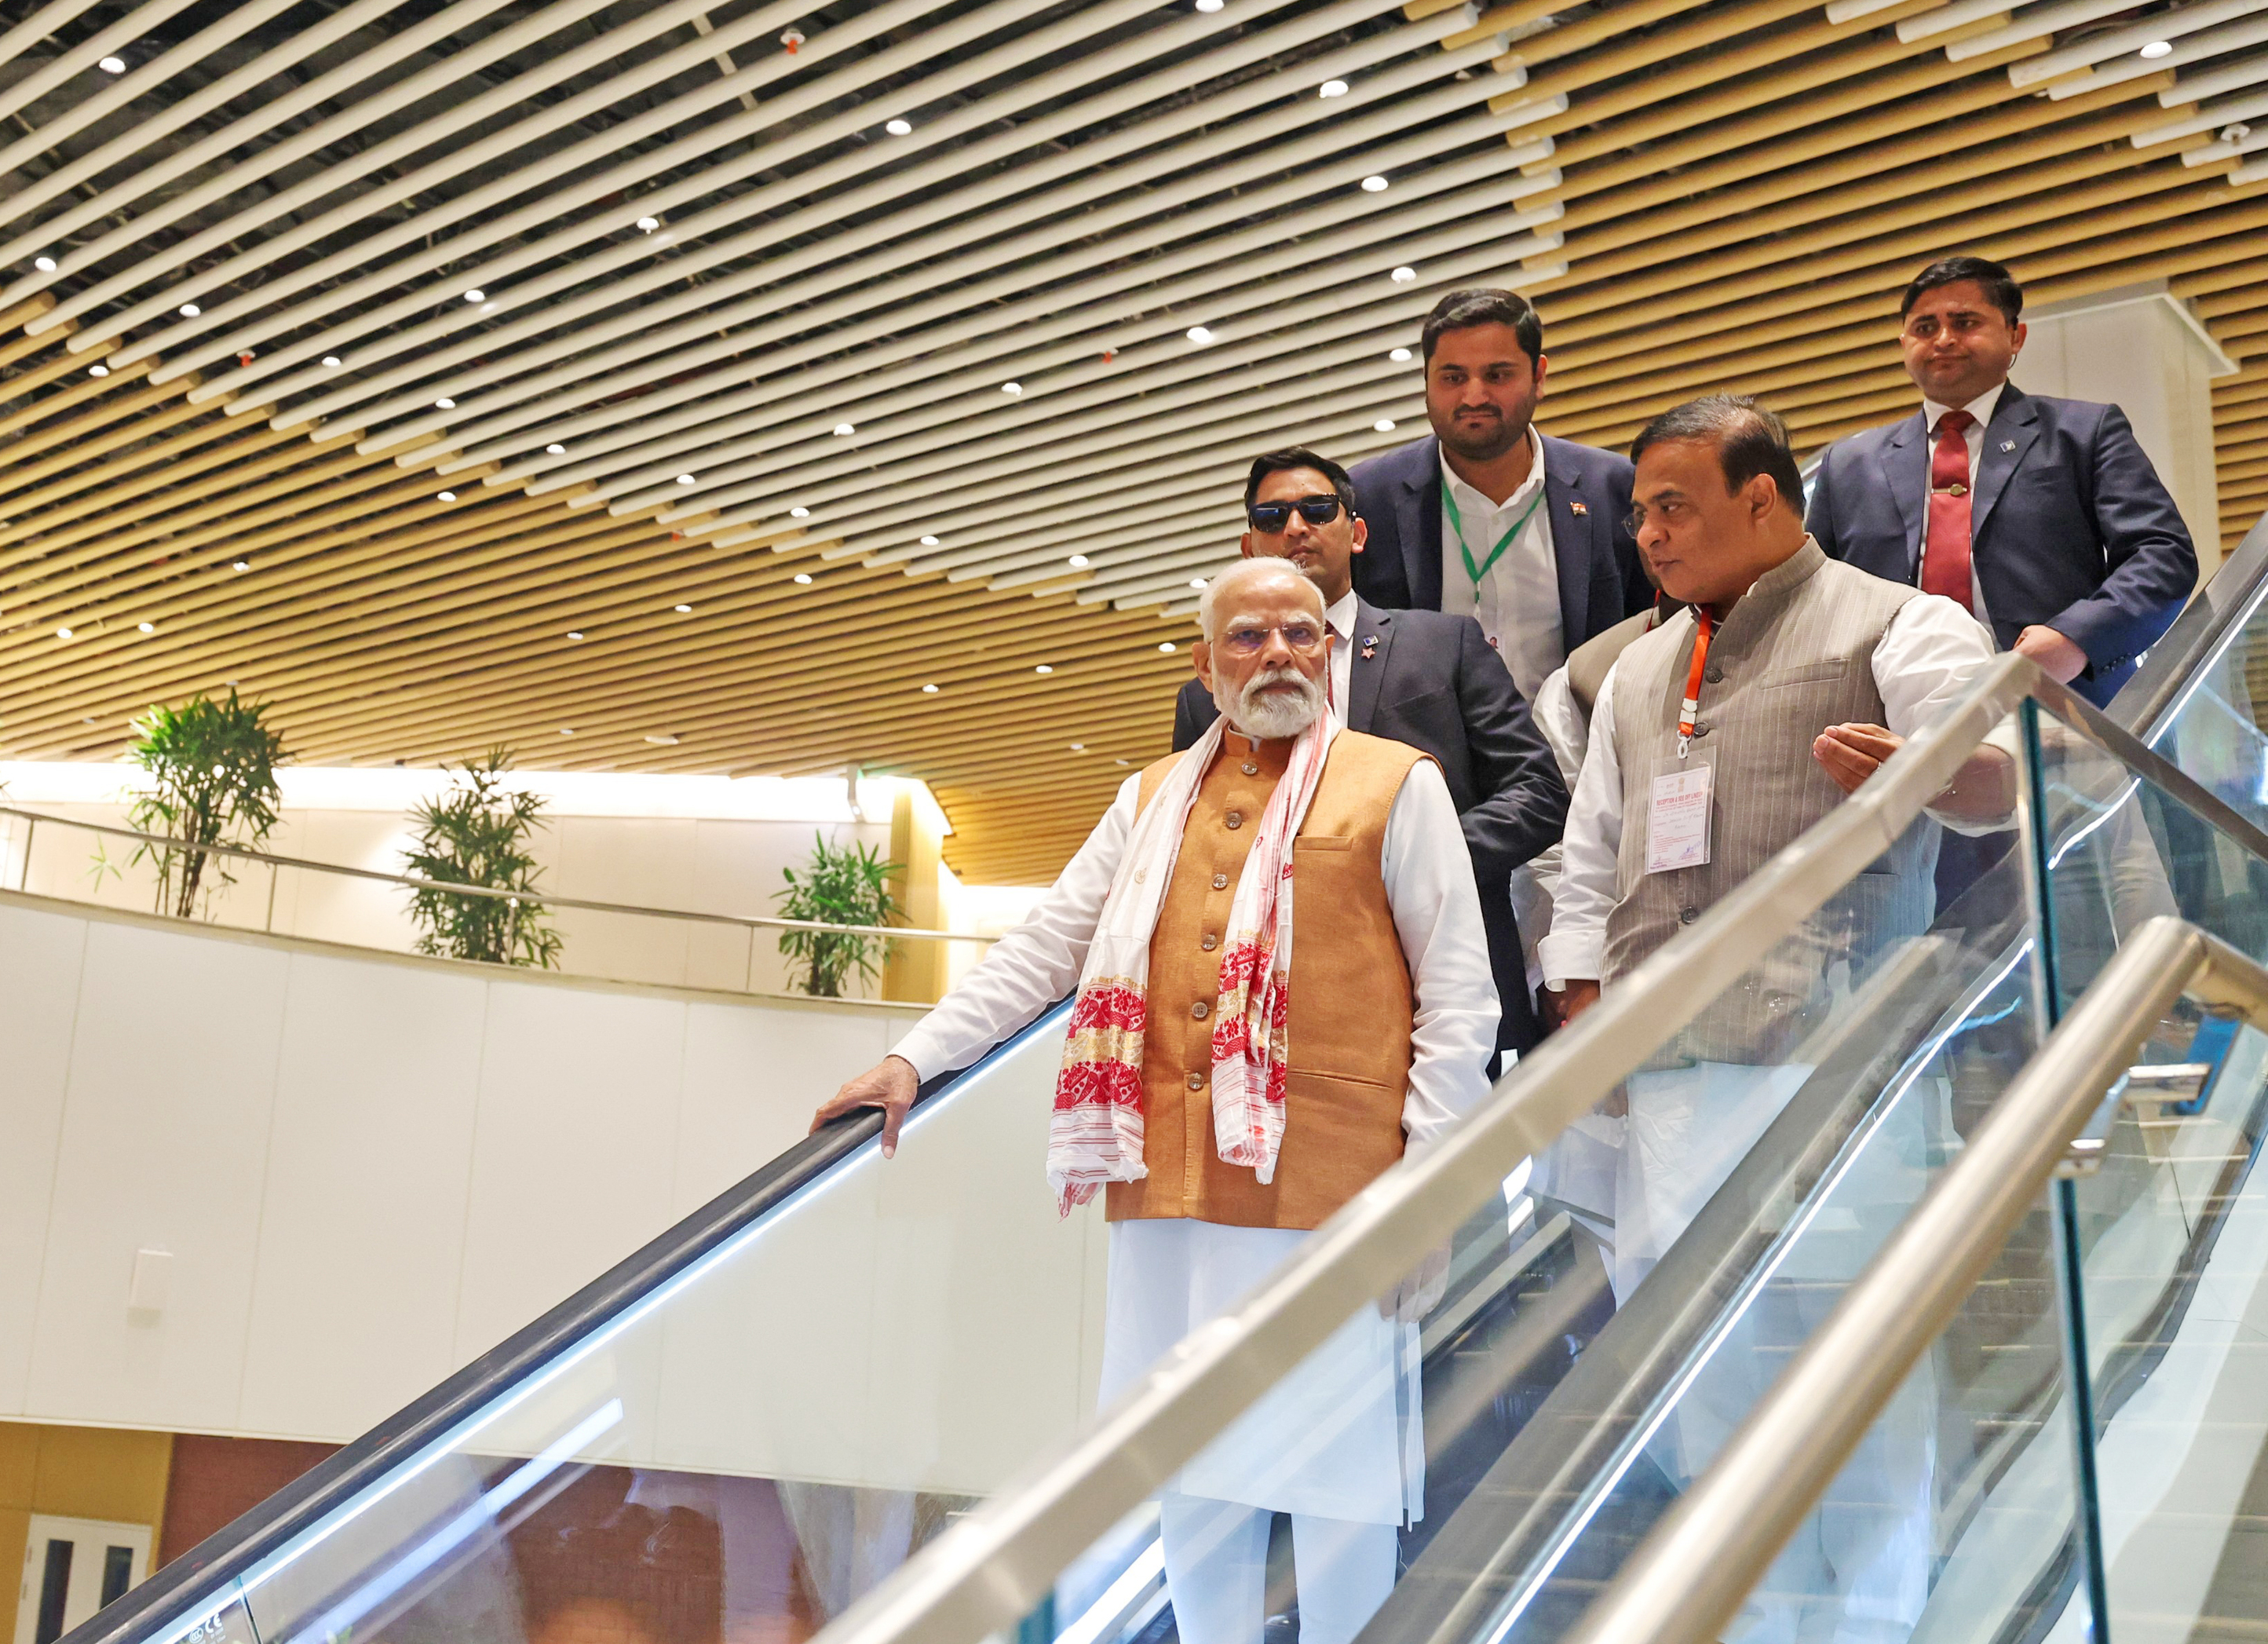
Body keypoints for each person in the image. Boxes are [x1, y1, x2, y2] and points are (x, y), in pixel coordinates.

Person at [812, 557, 1496, 1644]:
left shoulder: (1396, 782)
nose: (1280, 654)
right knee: (1189, 1475)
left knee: (1337, 1487)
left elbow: (1460, 999)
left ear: (1330, 651)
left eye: (1301, 634)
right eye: (1250, 638)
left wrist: (1431, 1186)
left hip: (1333, 1197)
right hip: (1165, 1193)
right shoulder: (1150, 795)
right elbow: (1046, 946)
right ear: (1203, 662)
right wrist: (915, 1059)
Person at [1543, 393, 2015, 1641]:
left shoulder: (1901, 620)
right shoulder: (1640, 666)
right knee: (1695, 1384)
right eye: (1639, 510)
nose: (1645, 533)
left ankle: (1874, 1627)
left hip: (1831, 1061)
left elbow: (1998, 772)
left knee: (1851, 1375)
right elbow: (1590, 860)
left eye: (1672, 506)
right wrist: (1583, 1016)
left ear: (1763, 499)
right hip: (1664, 1075)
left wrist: (1942, 774)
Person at [1174, 446, 1567, 1051]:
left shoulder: (1444, 645)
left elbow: (1539, 793)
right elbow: (1194, 841)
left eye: (1316, 509)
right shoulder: (1210, 694)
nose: (1296, 528)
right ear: (1249, 547)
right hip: (1275, 1003)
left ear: (1356, 533)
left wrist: (1408, 862)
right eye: (1272, 517)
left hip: (1445, 975)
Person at [1806, 254, 2197, 706]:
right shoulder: (1848, 464)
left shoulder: (2082, 432)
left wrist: (2075, 638)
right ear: (1903, 344)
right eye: (1925, 328)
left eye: (1964, 322)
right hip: (1892, 718)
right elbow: (1816, 597)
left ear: (2016, 336)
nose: (1944, 340)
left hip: (2058, 706)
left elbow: (2163, 555)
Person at [1349, 288, 1657, 700]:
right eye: (1453, 377)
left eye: (1497, 375)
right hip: (1428, 761)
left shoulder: (1616, 489)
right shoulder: (1367, 500)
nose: (1474, 396)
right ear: (1427, 380)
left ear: (1539, 376)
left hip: (1581, 756)